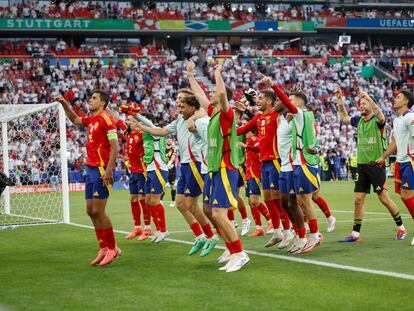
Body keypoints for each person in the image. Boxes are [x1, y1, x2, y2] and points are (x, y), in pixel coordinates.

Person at [129, 90, 217, 255]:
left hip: (195, 163)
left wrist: (194, 116)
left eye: (181, 99)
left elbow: (204, 111)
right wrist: (141, 126)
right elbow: (161, 131)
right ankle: (200, 235)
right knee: (180, 204)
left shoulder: (198, 116)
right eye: (177, 99)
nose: (177, 103)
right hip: (184, 165)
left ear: (190, 102)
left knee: (194, 204)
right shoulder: (179, 120)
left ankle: (213, 235)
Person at [189, 61, 249, 272]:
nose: (211, 94)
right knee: (213, 213)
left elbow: (222, 95)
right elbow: (199, 95)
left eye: (214, 92)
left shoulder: (226, 113)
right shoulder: (212, 113)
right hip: (215, 168)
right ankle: (233, 251)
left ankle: (239, 254)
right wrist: (190, 75)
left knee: (219, 213)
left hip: (225, 167)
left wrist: (216, 73)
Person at [56, 90, 120, 267]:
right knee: (90, 211)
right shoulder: (92, 120)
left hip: (101, 170)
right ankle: (104, 248)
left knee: (99, 211)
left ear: (102, 103)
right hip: (90, 168)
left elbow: (115, 147)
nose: (89, 100)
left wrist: (108, 170)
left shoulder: (107, 120)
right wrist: (64, 104)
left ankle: (113, 248)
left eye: (94, 98)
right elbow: (76, 120)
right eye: (90, 97)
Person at [334, 87, 406, 242]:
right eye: (360, 103)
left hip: (376, 165)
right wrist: (340, 99)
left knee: (384, 198)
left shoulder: (378, 121)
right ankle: (355, 234)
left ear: (371, 104)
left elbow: (380, 116)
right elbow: (344, 118)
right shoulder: (358, 120)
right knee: (358, 199)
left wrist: (369, 98)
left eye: (364, 103)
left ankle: (401, 228)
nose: (361, 105)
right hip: (361, 165)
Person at [264, 78, 323, 253]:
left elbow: (311, 138)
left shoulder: (301, 114)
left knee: (303, 201)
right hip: (293, 163)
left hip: (301, 163)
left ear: (297, 103)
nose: (285, 100)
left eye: (290, 98)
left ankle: (313, 235)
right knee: (294, 202)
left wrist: (273, 85)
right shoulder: (290, 117)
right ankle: (303, 235)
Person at [378, 90, 414, 244]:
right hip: (400, 162)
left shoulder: (410, 118)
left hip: (410, 161)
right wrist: (383, 157)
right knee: (404, 195)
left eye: (398, 97)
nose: (395, 99)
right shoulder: (397, 120)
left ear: (406, 101)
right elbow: (394, 141)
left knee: (407, 195)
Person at [126, 112, 169, 243]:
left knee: (154, 200)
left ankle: (163, 230)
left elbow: (147, 124)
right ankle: (158, 230)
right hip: (150, 170)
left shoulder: (155, 131)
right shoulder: (145, 134)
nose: (140, 125)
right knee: (148, 201)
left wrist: (136, 115)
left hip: (158, 169)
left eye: (142, 122)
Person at [112, 108, 153, 241]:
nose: (127, 121)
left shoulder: (143, 134)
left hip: (142, 171)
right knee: (133, 199)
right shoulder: (128, 132)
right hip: (133, 171)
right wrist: (105, 108)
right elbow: (117, 120)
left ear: (136, 121)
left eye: (129, 119)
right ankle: (137, 227)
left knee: (142, 199)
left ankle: (147, 228)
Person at [238, 130, 273, 237]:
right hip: (249, 174)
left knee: (254, 200)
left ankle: (270, 221)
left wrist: (245, 146)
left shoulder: (255, 140)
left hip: (255, 174)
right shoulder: (248, 140)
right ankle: (259, 228)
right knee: (251, 201)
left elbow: (260, 151)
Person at [165, 138, 178, 208]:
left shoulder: (174, 148)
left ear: (172, 141)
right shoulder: (163, 148)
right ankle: (160, 200)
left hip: (171, 169)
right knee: (162, 185)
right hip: (164, 168)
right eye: (168, 140)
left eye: (170, 140)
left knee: (172, 185)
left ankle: (173, 201)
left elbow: (173, 157)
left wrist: (170, 162)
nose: (169, 141)